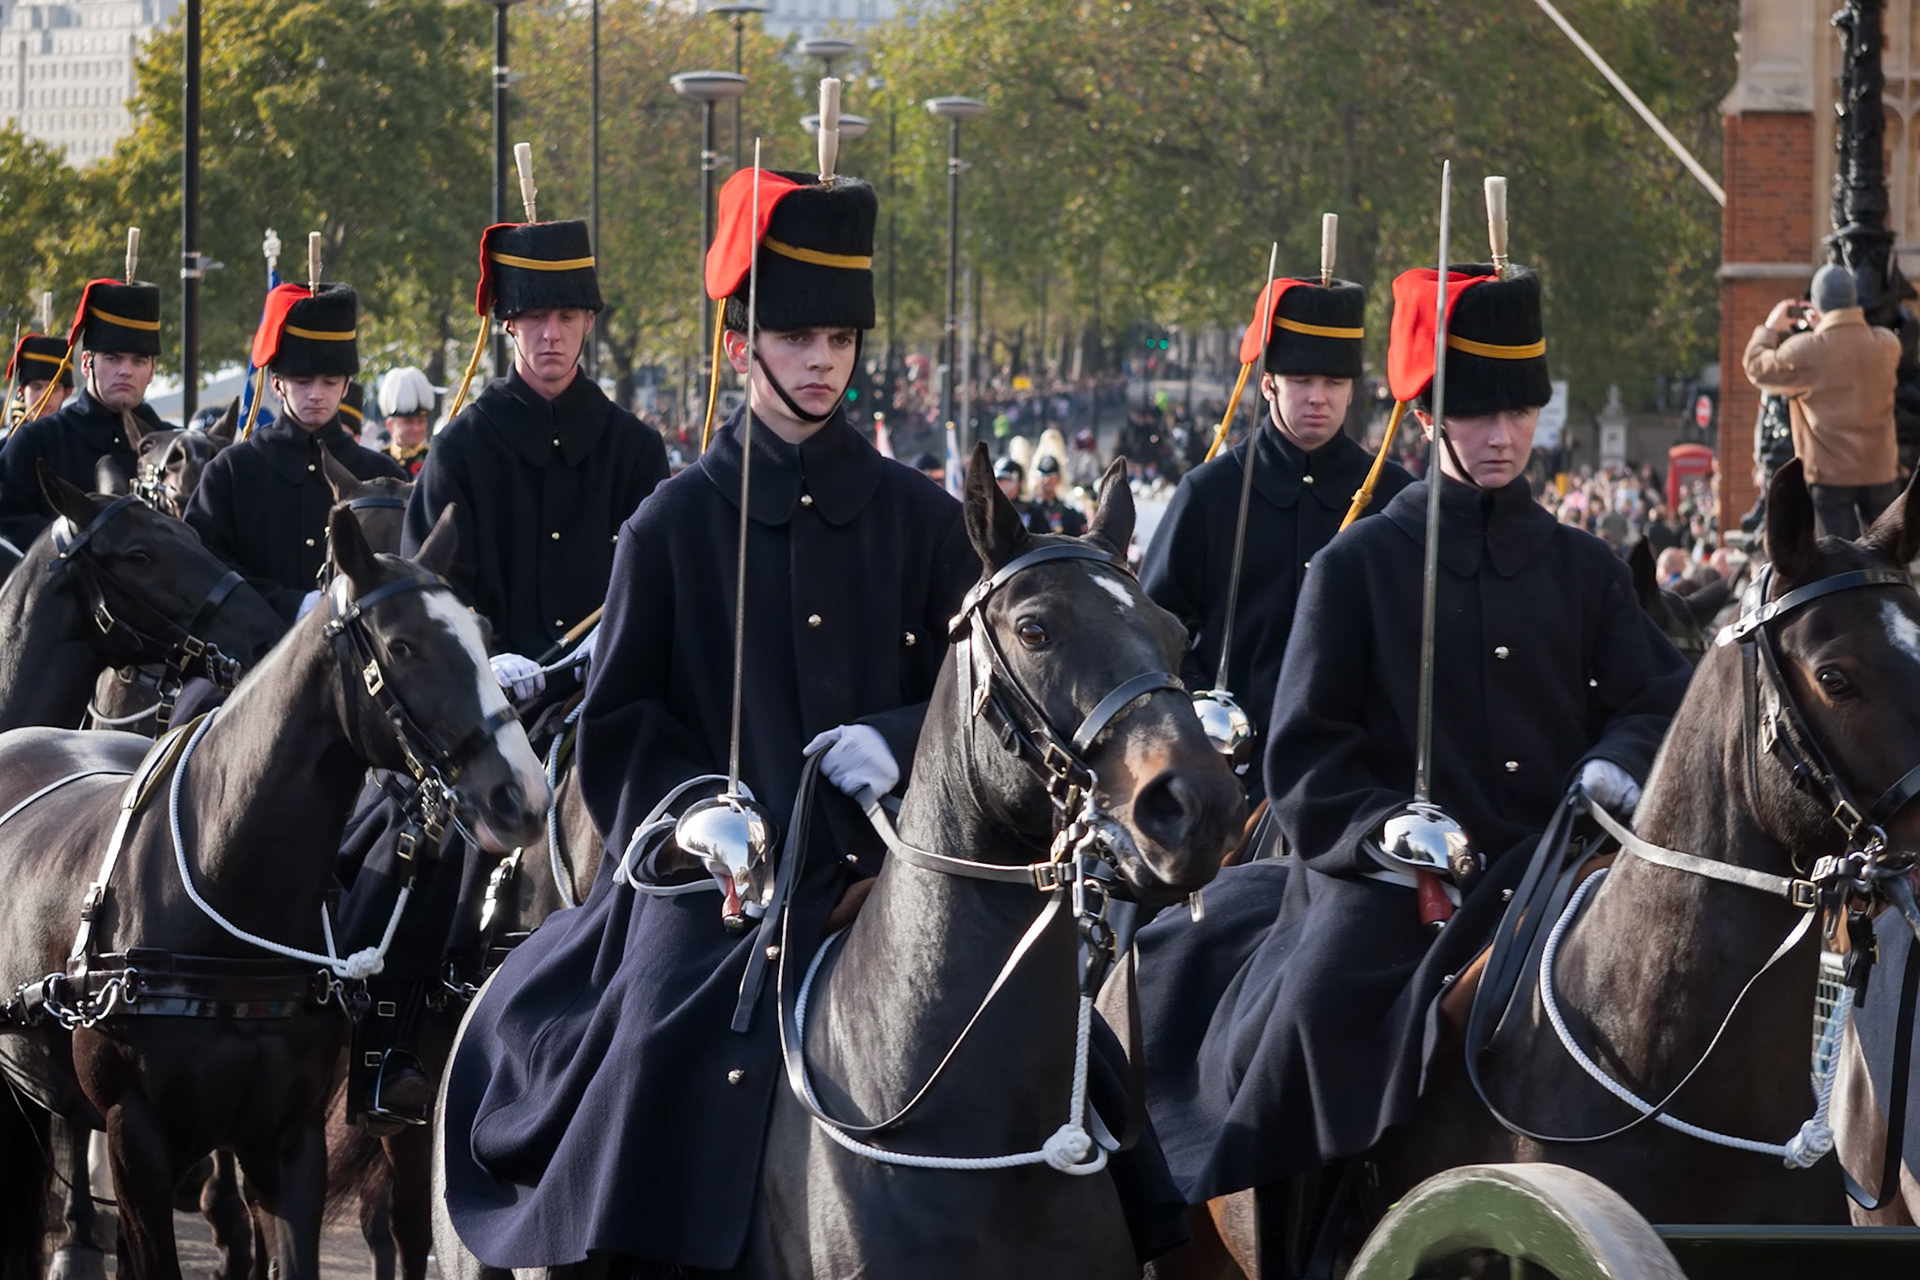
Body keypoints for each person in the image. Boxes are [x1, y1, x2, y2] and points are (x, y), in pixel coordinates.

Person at [435, 162, 995, 1272]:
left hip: (895, 857)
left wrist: (894, 731)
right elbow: (622, 718)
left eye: (839, 336)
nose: (825, 359)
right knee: (650, 1031)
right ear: (741, 349)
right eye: (798, 338)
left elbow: (975, 683)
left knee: (1063, 1026)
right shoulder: (673, 525)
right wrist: (694, 810)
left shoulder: (926, 519)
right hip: (723, 875)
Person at [1145, 260, 1690, 1241]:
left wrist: (1619, 759)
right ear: (1433, 412)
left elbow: (1660, 699)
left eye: (1520, 411)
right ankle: (1300, 1238)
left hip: (1554, 867)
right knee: (1313, 1008)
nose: (1504, 435)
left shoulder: (1587, 568)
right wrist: (1381, 825)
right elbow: (1307, 755)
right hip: (1396, 881)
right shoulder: (1359, 564)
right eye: (1480, 414)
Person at [334, 212, 671, 1129]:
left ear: (589, 324)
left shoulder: (638, 451)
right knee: (426, 844)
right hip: (487, 710)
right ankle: (390, 1044)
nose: (552, 334)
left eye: (568, 315)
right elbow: (427, 597)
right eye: (535, 319)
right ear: (509, 329)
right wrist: (493, 658)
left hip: (607, 700)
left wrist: (612, 646)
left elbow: (658, 585)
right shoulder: (463, 447)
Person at [1140, 270, 1412, 797]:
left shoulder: (1393, 496)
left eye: (1333, 384)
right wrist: (1202, 708)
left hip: (1354, 777)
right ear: (1269, 385)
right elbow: (1154, 629)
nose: (1318, 398)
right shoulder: (1209, 492)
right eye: (1302, 382)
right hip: (1223, 773)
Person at [185, 282, 405, 627]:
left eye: (330, 382)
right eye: (303, 381)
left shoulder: (381, 473)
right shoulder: (231, 471)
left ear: (347, 386)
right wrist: (291, 604)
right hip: (250, 655)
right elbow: (200, 567)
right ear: (277, 383)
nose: (316, 394)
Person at [0, 278, 168, 546]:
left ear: (152, 371)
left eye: (139, 361)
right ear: (87, 364)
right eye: (112, 358)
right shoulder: (35, 442)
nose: (126, 370)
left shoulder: (173, 445)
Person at [1742, 263, 1901, 538]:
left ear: (1816, 306)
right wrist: (1827, 326)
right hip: (1881, 471)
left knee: (1839, 564)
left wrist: (1771, 327)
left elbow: (1756, 366)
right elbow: (1846, 347)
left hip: (1829, 478)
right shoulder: (1887, 345)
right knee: (1889, 558)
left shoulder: (1804, 351)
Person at [4, 332, 72, 432]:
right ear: (21, 390)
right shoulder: (8, 445)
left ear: (67, 393)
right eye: (36, 387)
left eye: (53, 389)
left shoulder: (78, 442)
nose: (44, 396)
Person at [377, 365, 435, 477]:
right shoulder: (379, 461)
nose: (417, 428)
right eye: (408, 422)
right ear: (390, 425)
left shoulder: (433, 459)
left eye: (421, 421)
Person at [1025, 453, 1088, 535]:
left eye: (1051, 477)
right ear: (1037, 478)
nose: (1046, 481)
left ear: (1058, 479)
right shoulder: (1027, 511)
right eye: (1043, 476)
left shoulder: (1069, 513)